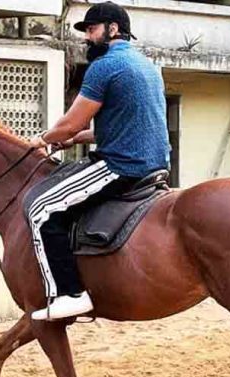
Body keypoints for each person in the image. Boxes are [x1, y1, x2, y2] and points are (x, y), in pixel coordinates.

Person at [25, 1, 170, 321]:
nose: (87, 38)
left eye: (91, 30)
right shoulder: (147, 66)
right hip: (157, 166)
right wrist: (78, 139)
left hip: (122, 168)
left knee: (40, 209)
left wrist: (41, 139)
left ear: (113, 29)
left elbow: (68, 124)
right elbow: (124, 125)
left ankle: (69, 294)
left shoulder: (104, 66)